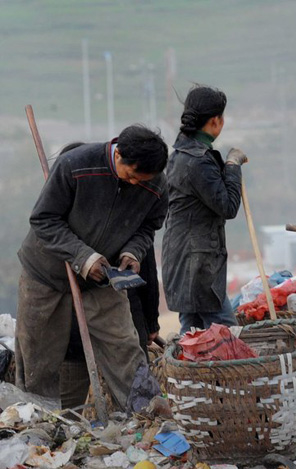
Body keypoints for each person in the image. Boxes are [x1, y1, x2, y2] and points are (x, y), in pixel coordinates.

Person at [15, 125, 169, 411]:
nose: (136, 183)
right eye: (132, 175)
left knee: (124, 345)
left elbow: (149, 226)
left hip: (103, 277)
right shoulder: (75, 166)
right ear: (118, 154)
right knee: (38, 357)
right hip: (46, 274)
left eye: (143, 179)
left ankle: (148, 414)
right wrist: (84, 257)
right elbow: (44, 219)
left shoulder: (157, 185)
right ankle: (40, 424)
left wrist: (132, 252)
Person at [54, 142, 163, 407]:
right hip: (75, 329)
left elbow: (145, 271)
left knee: (129, 388)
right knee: (72, 400)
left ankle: (140, 422)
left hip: (123, 318)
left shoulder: (119, 214)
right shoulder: (59, 226)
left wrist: (150, 323)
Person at [162, 85, 248, 334]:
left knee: (192, 331)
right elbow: (228, 206)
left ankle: (190, 374)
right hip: (198, 264)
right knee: (225, 333)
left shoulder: (178, 155)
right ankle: (227, 374)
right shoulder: (199, 161)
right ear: (215, 121)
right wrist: (232, 166)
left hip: (181, 256)